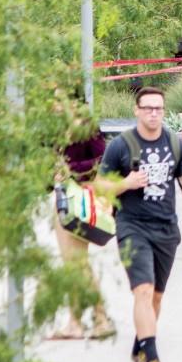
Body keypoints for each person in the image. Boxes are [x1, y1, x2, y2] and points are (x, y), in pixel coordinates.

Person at [97, 86, 182, 362]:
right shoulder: (121, 145)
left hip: (166, 228)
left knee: (155, 297)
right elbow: (101, 186)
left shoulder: (175, 143)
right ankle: (152, 356)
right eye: (148, 108)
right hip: (132, 227)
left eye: (158, 108)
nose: (153, 114)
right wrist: (126, 183)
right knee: (142, 290)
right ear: (137, 110)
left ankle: (140, 345)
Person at [51, 124, 115, 340]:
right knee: (71, 262)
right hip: (63, 195)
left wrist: (70, 168)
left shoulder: (85, 124)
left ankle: (100, 318)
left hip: (81, 195)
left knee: (77, 261)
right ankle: (75, 321)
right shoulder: (48, 127)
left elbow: (103, 160)